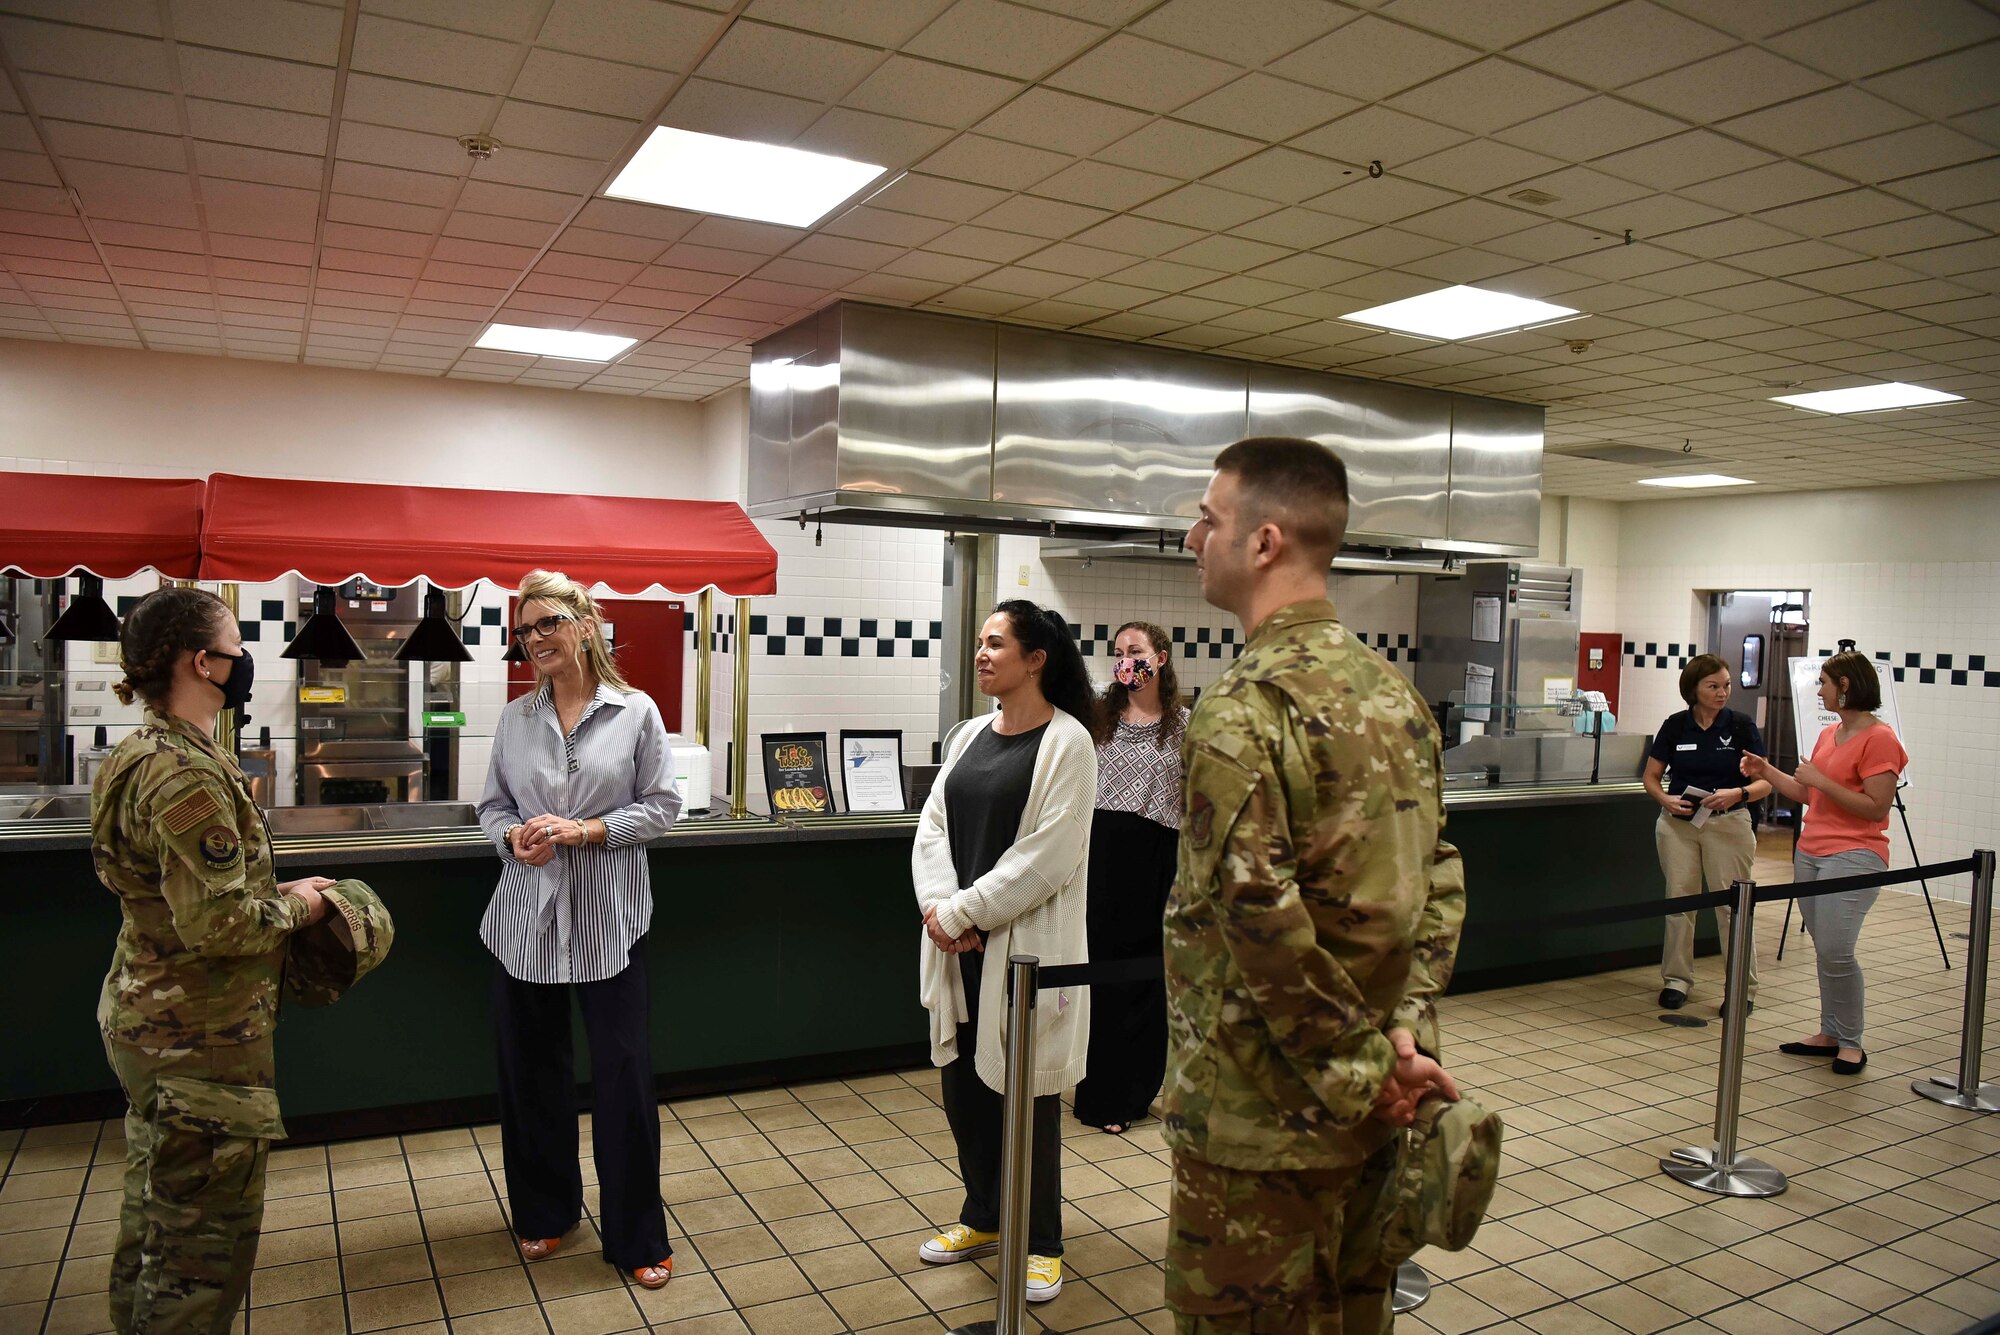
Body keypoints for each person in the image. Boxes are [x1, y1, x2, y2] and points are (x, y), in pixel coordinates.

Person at [1167, 437, 1467, 1333]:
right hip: (1373, 1122)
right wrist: (1403, 1034)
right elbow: (1438, 880)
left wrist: (1368, 1071)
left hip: (1260, 1135)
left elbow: (1260, 921)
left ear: (1262, 542)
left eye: (1208, 519)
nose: (1193, 538)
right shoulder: (1395, 697)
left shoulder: (1243, 708)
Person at [92, 585, 339, 1334]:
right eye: (236, 648)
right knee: (201, 1252)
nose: (244, 661)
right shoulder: (186, 773)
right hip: (196, 1039)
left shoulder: (145, 751)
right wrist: (311, 905)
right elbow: (224, 925)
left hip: (151, 1019)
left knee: (156, 1218)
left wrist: (277, 886)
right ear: (204, 662)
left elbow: (189, 898)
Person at [476, 570, 683, 1288]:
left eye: (548, 623)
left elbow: (662, 806)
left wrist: (589, 829)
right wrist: (513, 841)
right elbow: (491, 808)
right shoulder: (515, 719)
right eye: (525, 629)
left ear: (586, 624)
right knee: (532, 1074)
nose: (535, 639)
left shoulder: (635, 713)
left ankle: (635, 1235)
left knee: (624, 1079)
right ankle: (546, 1210)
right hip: (525, 923)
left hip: (609, 927)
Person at [912, 600, 1097, 1305]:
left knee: (1028, 1096)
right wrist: (940, 909)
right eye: (981, 642)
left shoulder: (1068, 742)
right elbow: (931, 827)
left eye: (997, 643)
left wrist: (962, 910)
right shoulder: (968, 735)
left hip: (1025, 951)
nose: (983, 653)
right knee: (964, 1089)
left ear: (1036, 658)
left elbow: (1045, 858)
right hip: (958, 944)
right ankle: (984, 1215)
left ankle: (1043, 1240)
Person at [1742, 651, 1906, 1075]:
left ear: (1846, 686)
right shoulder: (1829, 734)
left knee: (1837, 950)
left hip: (1854, 854)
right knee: (1825, 949)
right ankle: (1830, 1031)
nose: (1820, 691)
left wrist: (1821, 781)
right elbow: (1806, 793)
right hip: (1811, 852)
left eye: (1825, 684)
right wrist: (1767, 770)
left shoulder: (1880, 739)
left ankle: (1851, 1041)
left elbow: (1875, 808)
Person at [1074, 620, 1187, 1135]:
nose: (1127, 660)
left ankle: (1136, 1090)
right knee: (1101, 978)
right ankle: (1097, 1090)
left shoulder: (1184, 726)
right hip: (1101, 854)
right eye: (1119, 651)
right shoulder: (1097, 718)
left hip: (1157, 857)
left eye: (1136, 650)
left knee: (1145, 981)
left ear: (1160, 657)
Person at [1644, 654, 1772, 1014]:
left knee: (1732, 908)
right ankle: (1677, 980)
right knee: (1680, 902)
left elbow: (1765, 782)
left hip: (1728, 823)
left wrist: (1738, 793)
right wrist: (1665, 799)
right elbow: (1651, 777)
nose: (1722, 692)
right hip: (1679, 825)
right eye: (1713, 686)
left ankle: (1741, 990)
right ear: (1693, 689)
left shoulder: (1741, 726)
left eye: (1726, 685)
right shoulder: (1675, 726)